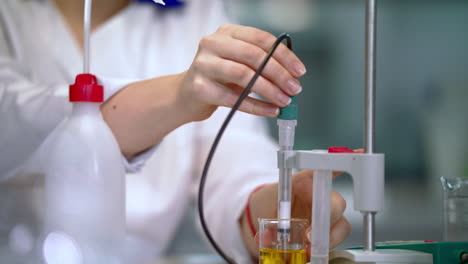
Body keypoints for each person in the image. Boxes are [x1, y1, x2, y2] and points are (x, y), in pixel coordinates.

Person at [0, 0, 351, 262]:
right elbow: (12, 121)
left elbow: (232, 153)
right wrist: (180, 95)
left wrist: (271, 207)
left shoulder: (193, 12)